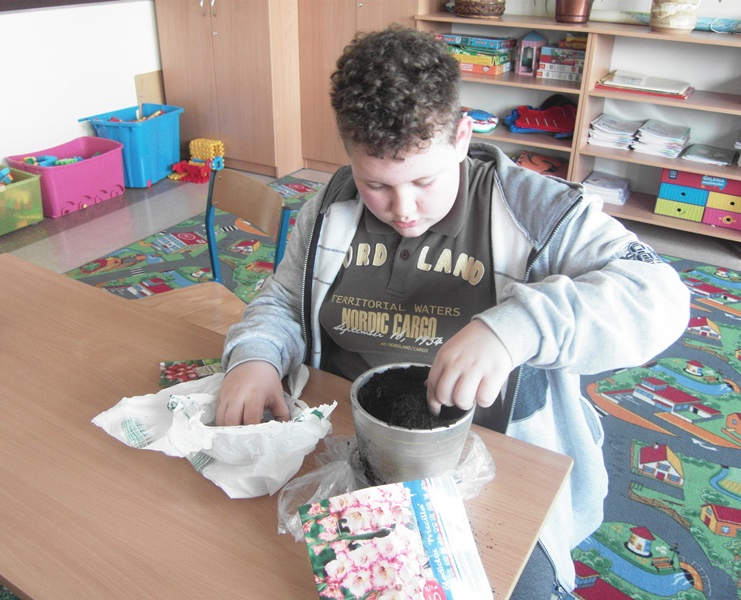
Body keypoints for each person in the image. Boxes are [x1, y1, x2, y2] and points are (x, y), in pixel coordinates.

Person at [216, 25, 689, 598]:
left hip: (489, 462)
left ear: (464, 136)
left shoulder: (537, 212)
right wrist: (256, 356)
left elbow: (659, 296)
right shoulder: (332, 206)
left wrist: (517, 328)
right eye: (377, 185)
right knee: (242, 557)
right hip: (347, 439)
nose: (404, 209)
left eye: (424, 179)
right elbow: (283, 299)